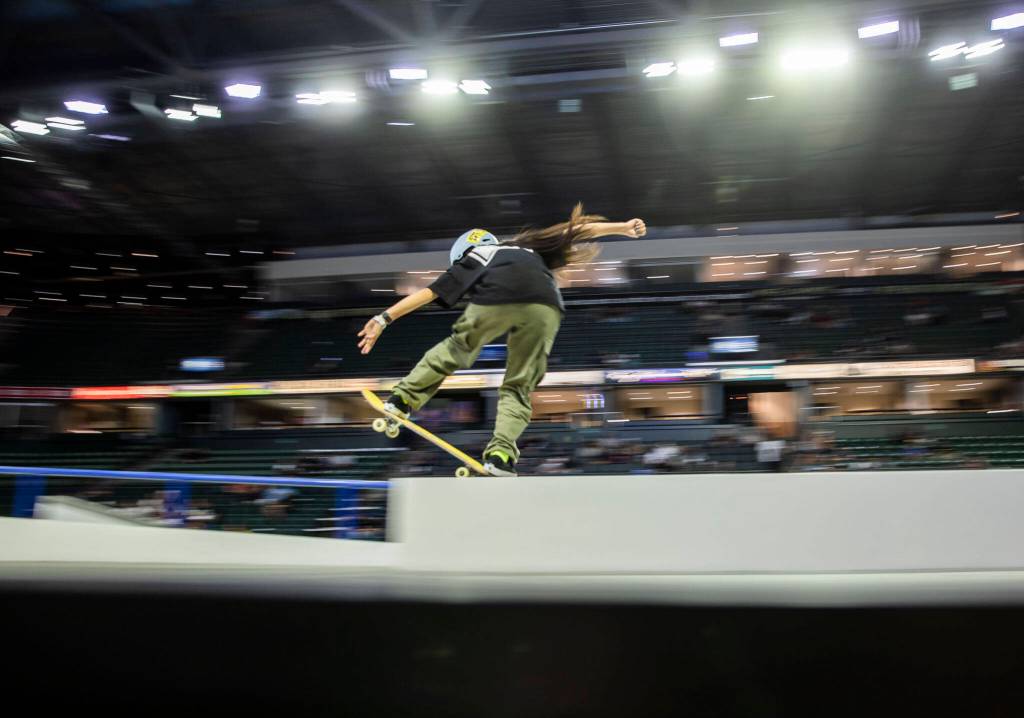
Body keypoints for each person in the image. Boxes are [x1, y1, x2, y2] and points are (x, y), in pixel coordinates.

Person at [357, 204, 646, 476]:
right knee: (519, 384)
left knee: (458, 348)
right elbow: (575, 230)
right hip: (546, 305)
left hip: (498, 298)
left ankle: (402, 399)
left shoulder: (476, 257)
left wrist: (384, 318)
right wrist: (622, 227)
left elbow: (431, 293)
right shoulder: (529, 246)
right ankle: (501, 456)